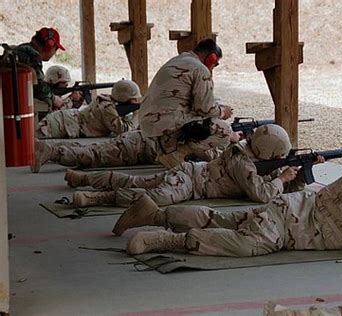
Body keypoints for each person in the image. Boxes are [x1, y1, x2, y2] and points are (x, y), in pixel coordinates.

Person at [114, 148, 342, 256]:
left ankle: (157, 214)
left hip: (291, 210)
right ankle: (169, 239)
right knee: (246, 244)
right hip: (291, 227)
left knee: (225, 220)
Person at [63, 125, 324, 211]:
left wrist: (298, 174)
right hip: (191, 182)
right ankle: (99, 196)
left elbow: (282, 185)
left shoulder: (249, 155)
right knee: (156, 197)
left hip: (189, 174)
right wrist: (283, 178)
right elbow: (263, 194)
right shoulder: (240, 159)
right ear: (269, 152)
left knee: (136, 181)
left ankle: (84, 179)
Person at [138, 38, 236, 168]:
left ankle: (171, 154)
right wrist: (223, 112)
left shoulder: (179, 60)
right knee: (224, 129)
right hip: (168, 124)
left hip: (151, 124)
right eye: (216, 63)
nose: (214, 67)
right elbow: (204, 109)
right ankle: (176, 156)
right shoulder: (201, 69)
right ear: (211, 58)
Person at [36, 79, 141, 139]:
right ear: (125, 98)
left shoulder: (108, 102)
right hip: (60, 124)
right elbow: (123, 131)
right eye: (134, 100)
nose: (135, 102)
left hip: (66, 121)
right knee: (32, 141)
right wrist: (137, 114)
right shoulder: (107, 107)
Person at [12, 27, 66, 118]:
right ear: (49, 45)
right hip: (17, 104)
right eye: (55, 49)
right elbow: (39, 87)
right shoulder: (33, 56)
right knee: (47, 103)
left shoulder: (24, 49)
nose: (54, 53)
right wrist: (54, 99)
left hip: (12, 99)